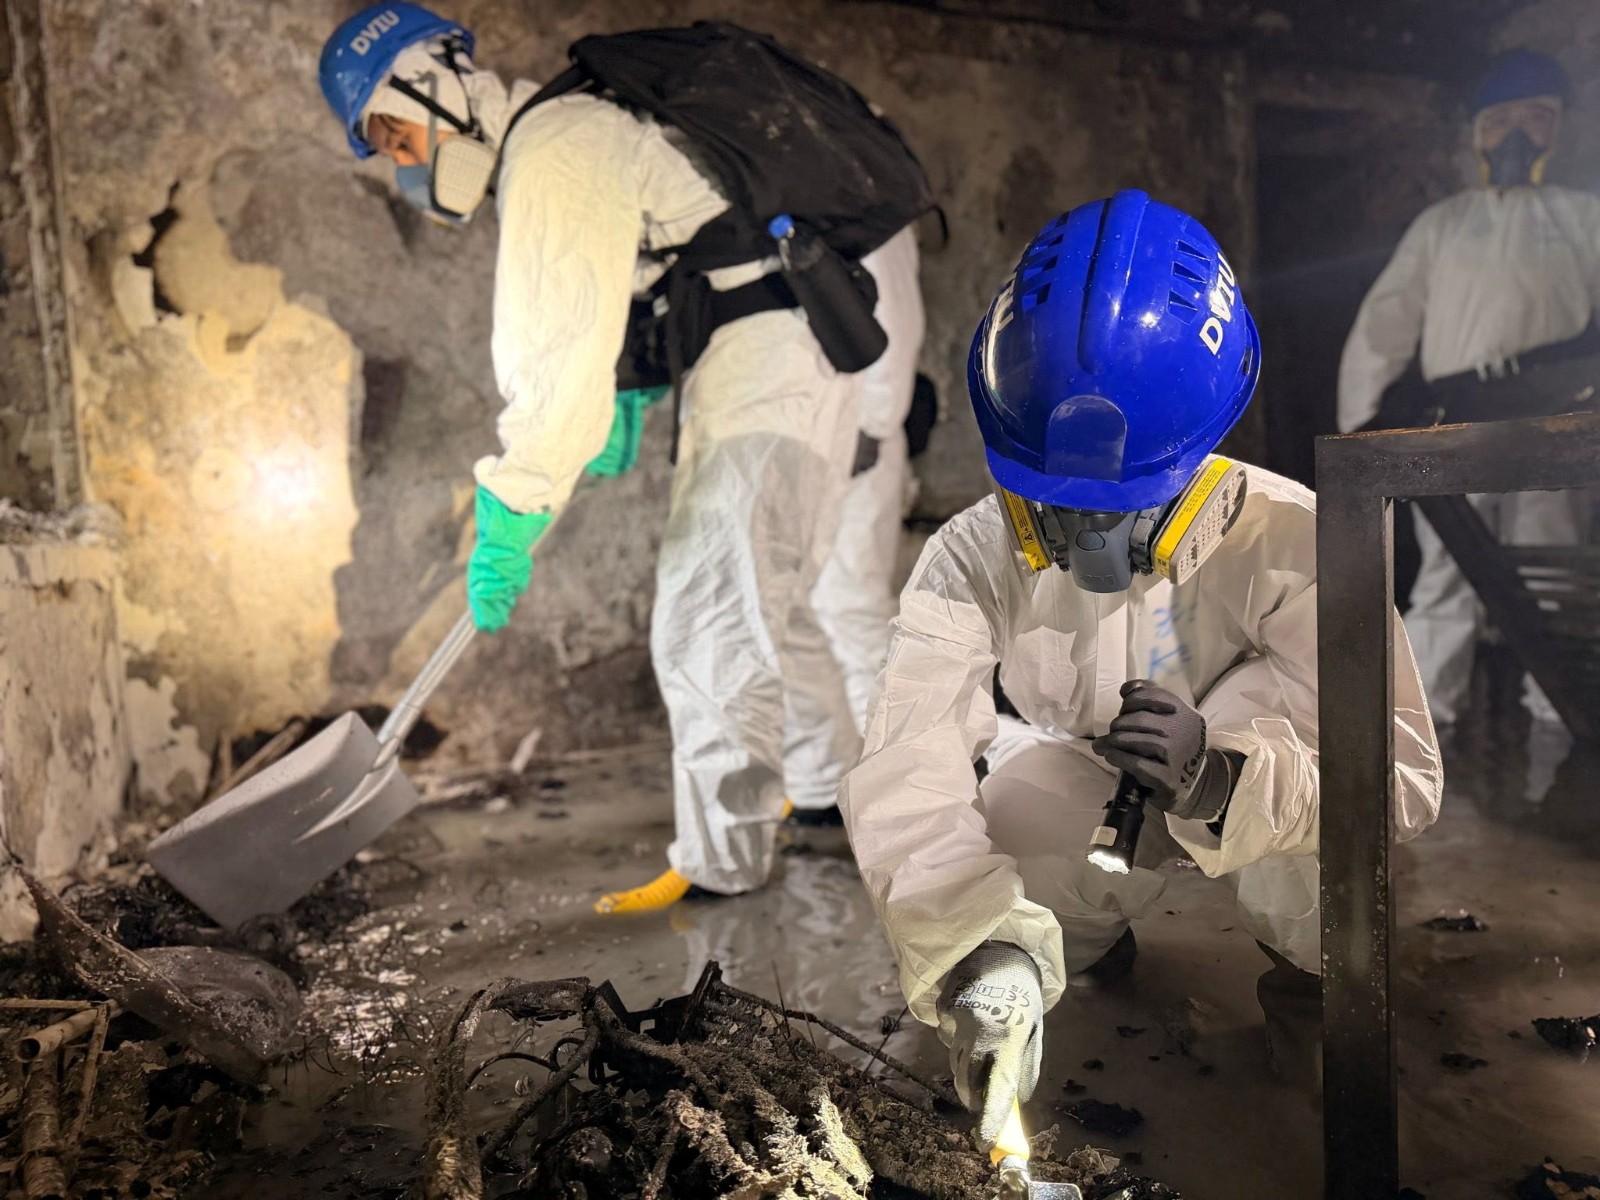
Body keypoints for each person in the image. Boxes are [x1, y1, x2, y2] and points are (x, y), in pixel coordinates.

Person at [839, 191, 1443, 1149]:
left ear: (1202, 453)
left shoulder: (1299, 539)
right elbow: (908, 760)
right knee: (1006, 836)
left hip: (1259, 789)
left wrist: (1221, 780)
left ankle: (1311, 986)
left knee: (1334, 853)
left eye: (1125, 502)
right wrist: (972, 950)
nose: (1089, 536)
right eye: (1054, 495)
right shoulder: (973, 554)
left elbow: (1402, 780)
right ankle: (1077, 939)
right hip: (1087, 774)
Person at [319, 6, 922, 910]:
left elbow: (552, 362)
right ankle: (825, 790)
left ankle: (722, 867)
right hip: (784, 348)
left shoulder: (552, 147)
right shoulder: (584, 125)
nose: (405, 165)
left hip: (771, 362)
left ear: (432, 84)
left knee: (709, 610)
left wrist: (516, 502)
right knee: (767, 596)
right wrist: (628, 400)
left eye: (397, 136)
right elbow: (635, 284)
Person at [1338, 48, 1598, 728]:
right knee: (1448, 572)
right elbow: (1384, 324)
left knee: (1551, 568)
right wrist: (1363, 429)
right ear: (1478, 134)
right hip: (1457, 421)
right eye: (1501, 120)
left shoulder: (1586, 218)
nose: (1516, 135)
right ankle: (1422, 728)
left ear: (1559, 128)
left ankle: (1562, 722)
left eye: (1536, 118)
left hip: (1556, 420)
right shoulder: (1443, 225)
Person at [795, 226, 926, 829]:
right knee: (801, 611)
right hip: (808, 431)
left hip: (854, 435)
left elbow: (894, 309)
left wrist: (873, 420)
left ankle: (898, 785)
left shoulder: (862, 198)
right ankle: (826, 784)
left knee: (850, 608)